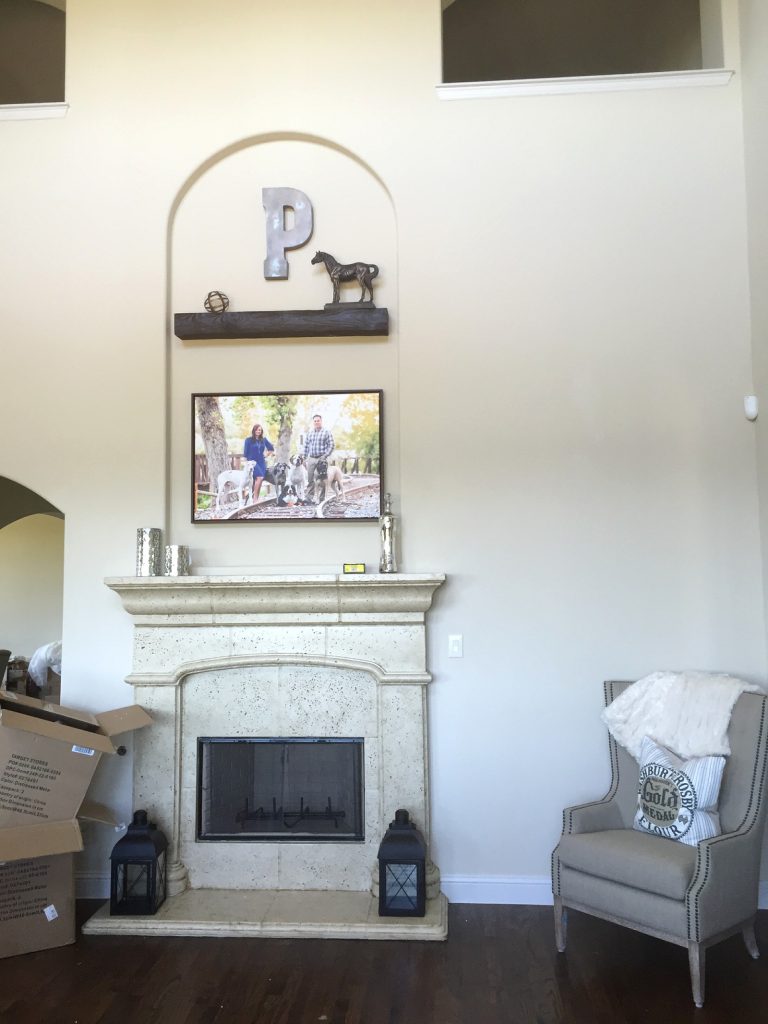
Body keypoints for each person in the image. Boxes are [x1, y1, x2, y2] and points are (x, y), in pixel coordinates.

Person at [302, 413, 334, 503]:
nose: (316, 422)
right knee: (310, 478)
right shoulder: (310, 433)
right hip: (311, 458)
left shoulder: (326, 432)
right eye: (315, 421)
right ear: (313, 422)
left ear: (321, 421)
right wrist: (304, 458)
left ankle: (321, 499)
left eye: (318, 421)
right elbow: (306, 446)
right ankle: (308, 498)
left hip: (322, 458)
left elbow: (331, 445)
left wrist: (325, 456)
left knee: (323, 478)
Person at [243, 423, 274, 503]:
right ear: (254, 430)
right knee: (259, 478)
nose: (258, 431)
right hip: (252, 462)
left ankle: (254, 497)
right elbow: (245, 453)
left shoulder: (264, 440)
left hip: (261, 462)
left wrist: (266, 455)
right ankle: (255, 499)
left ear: (261, 431)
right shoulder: (248, 440)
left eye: (260, 430)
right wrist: (246, 464)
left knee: (260, 479)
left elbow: (271, 448)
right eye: (257, 429)